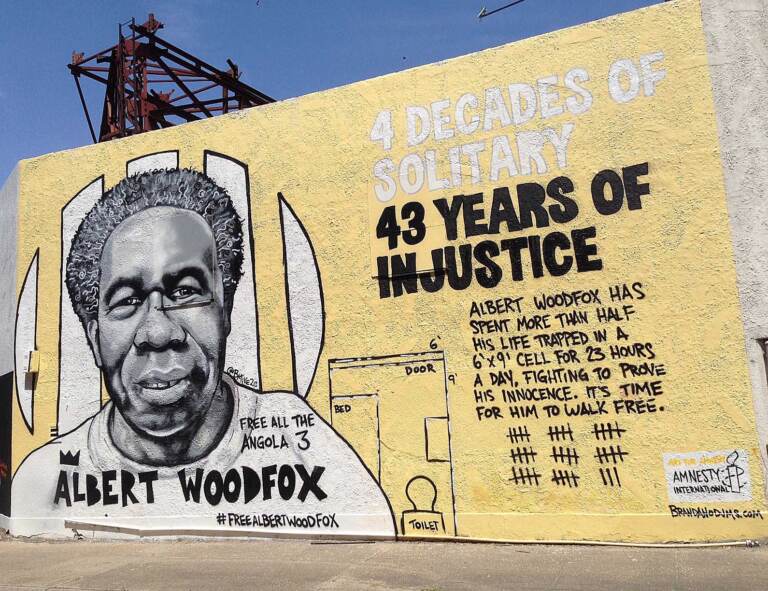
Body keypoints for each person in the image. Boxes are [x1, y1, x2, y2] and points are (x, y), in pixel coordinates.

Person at [11, 168, 394, 538]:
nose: (159, 332)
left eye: (185, 292)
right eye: (127, 300)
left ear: (224, 312)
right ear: (94, 338)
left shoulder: (303, 444)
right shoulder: (43, 482)